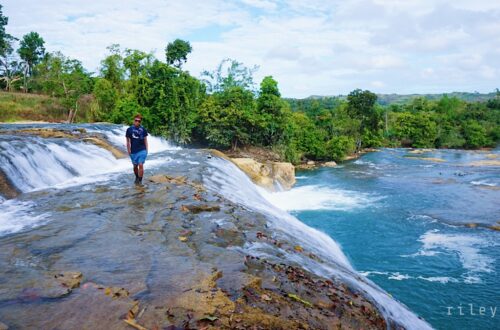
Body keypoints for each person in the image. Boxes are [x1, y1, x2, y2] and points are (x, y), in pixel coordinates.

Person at [126, 114, 149, 184]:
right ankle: (137, 177)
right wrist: (129, 150)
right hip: (133, 151)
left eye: (139, 121)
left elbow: (145, 140)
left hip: (142, 150)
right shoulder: (129, 130)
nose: (137, 122)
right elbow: (128, 141)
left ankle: (140, 181)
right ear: (134, 120)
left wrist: (146, 150)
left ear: (140, 122)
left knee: (140, 164)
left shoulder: (143, 129)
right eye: (136, 120)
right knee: (135, 166)